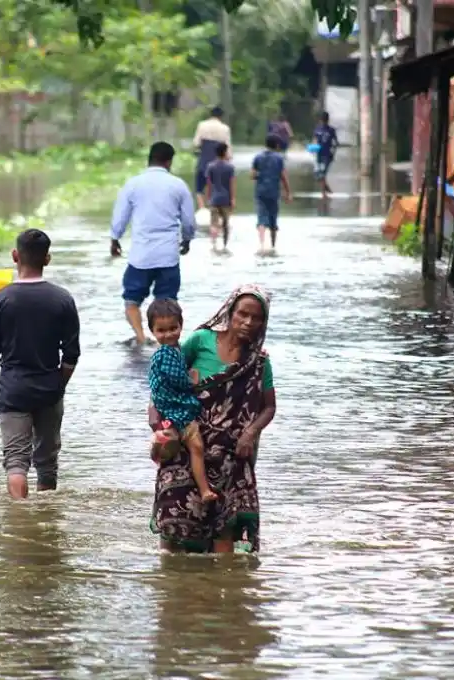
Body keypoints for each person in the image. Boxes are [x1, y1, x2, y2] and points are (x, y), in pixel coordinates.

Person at [150, 284, 277, 554]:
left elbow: (268, 407)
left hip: (231, 454)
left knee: (225, 528)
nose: (248, 322)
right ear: (230, 312)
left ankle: (221, 584)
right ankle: (170, 584)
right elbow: (165, 379)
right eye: (242, 314)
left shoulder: (259, 363)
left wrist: (250, 433)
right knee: (175, 520)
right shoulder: (201, 341)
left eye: (256, 318)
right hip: (186, 440)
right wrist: (158, 422)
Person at [0, 228, 81, 501]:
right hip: (50, 388)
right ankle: (45, 525)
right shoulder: (63, 299)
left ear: (15, 256)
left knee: (16, 462)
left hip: (13, 390)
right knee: (47, 462)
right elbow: (71, 354)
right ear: (47, 259)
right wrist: (58, 384)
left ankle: (20, 523)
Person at [110, 141, 196, 346]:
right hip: (168, 255)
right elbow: (189, 221)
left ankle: (141, 338)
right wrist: (187, 240)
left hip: (141, 256)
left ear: (149, 159)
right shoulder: (178, 185)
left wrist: (115, 239)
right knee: (167, 302)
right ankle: (165, 342)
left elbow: (120, 217)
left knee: (131, 301)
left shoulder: (133, 184)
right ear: (169, 161)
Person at [146, 298, 216, 503]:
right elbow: (177, 379)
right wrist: (192, 380)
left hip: (167, 410)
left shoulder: (172, 351)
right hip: (177, 409)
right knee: (197, 447)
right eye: (161, 330)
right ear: (152, 331)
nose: (168, 334)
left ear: (181, 325)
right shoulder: (167, 353)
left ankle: (163, 442)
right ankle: (204, 490)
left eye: (173, 328)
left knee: (173, 444)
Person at [252, 135, 292, 254]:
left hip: (260, 192)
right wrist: (288, 192)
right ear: (277, 145)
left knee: (261, 218)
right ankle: (273, 245)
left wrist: (261, 175)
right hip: (274, 192)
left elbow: (252, 175)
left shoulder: (257, 157)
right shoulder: (279, 159)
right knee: (273, 219)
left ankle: (262, 244)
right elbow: (284, 177)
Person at [192, 106, 232, 211]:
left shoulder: (202, 125)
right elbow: (228, 149)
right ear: (221, 117)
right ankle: (214, 209)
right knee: (217, 187)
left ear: (210, 115)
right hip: (218, 163)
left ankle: (201, 208)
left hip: (203, 161)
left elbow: (196, 143)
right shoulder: (225, 128)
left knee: (199, 188)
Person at [204, 142, 236, 252]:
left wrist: (208, 198)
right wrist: (233, 199)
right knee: (226, 224)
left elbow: (209, 184)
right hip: (226, 200)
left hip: (214, 199)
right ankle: (225, 245)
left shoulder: (210, 166)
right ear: (225, 152)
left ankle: (213, 245)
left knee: (214, 223)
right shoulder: (230, 167)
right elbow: (231, 184)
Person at [313, 112, 339, 198]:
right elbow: (314, 141)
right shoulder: (317, 129)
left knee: (323, 174)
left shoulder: (331, 130)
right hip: (319, 155)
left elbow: (336, 143)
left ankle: (324, 194)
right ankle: (326, 188)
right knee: (318, 175)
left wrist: (333, 153)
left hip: (327, 155)